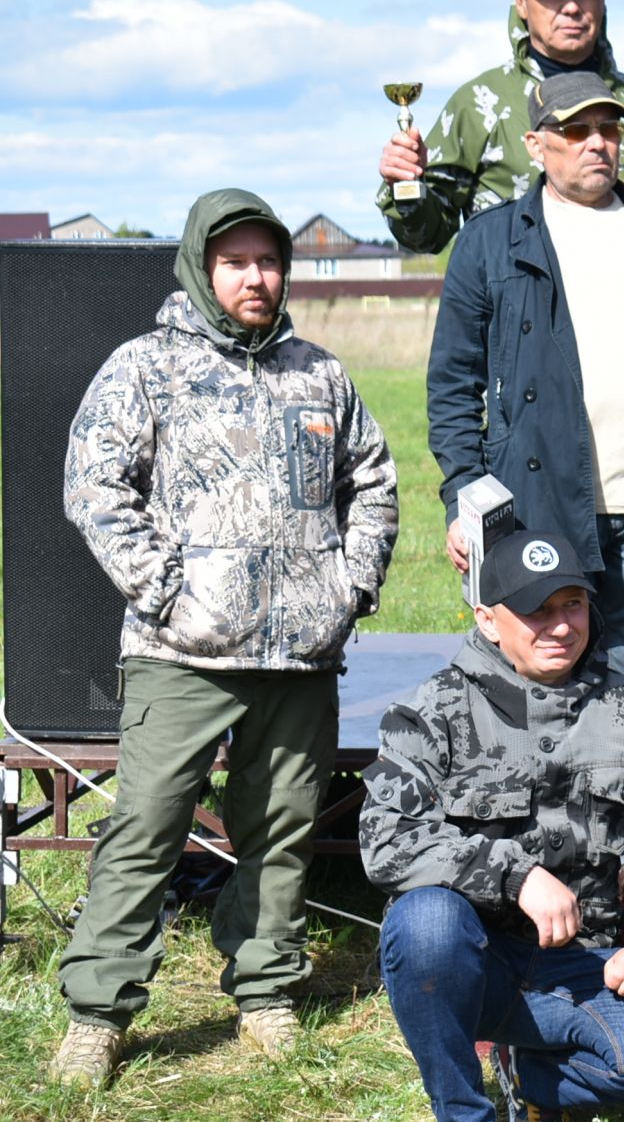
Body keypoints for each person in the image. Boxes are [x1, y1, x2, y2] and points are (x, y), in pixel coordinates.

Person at [51, 189, 398, 1086]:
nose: (256, 277)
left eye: (268, 260)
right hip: (182, 654)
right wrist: (166, 589)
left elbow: (376, 481)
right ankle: (99, 1009)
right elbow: (94, 485)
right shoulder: (146, 367)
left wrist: (348, 586)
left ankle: (266, 988)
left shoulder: (319, 373)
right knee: (147, 826)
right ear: (204, 270)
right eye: (236, 261)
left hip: (299, 656)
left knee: (280, 831)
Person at [360, 530, 624, 1122]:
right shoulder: (434, 710)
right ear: (489, 621)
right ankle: (465, 1109)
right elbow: (387, 839)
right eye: (535, 610)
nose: (561, 626)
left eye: (571, 603)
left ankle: (534, 1075)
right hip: (477, 961)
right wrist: (515, 876)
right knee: (423, 926)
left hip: (588, 960)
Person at [428, 73, 624, 706]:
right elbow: (452, 386)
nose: (596, 143)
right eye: (576, 130)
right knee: (539, 686)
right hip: (536, 504)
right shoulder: (489, 242)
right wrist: (463, 497)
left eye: (608, 128)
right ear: (537, 144)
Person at [376, 0, 624, 255]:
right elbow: (427, 236)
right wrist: (406, 184)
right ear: (521, 2)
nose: (571, 7)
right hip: (515, 300)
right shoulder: (478, 104)